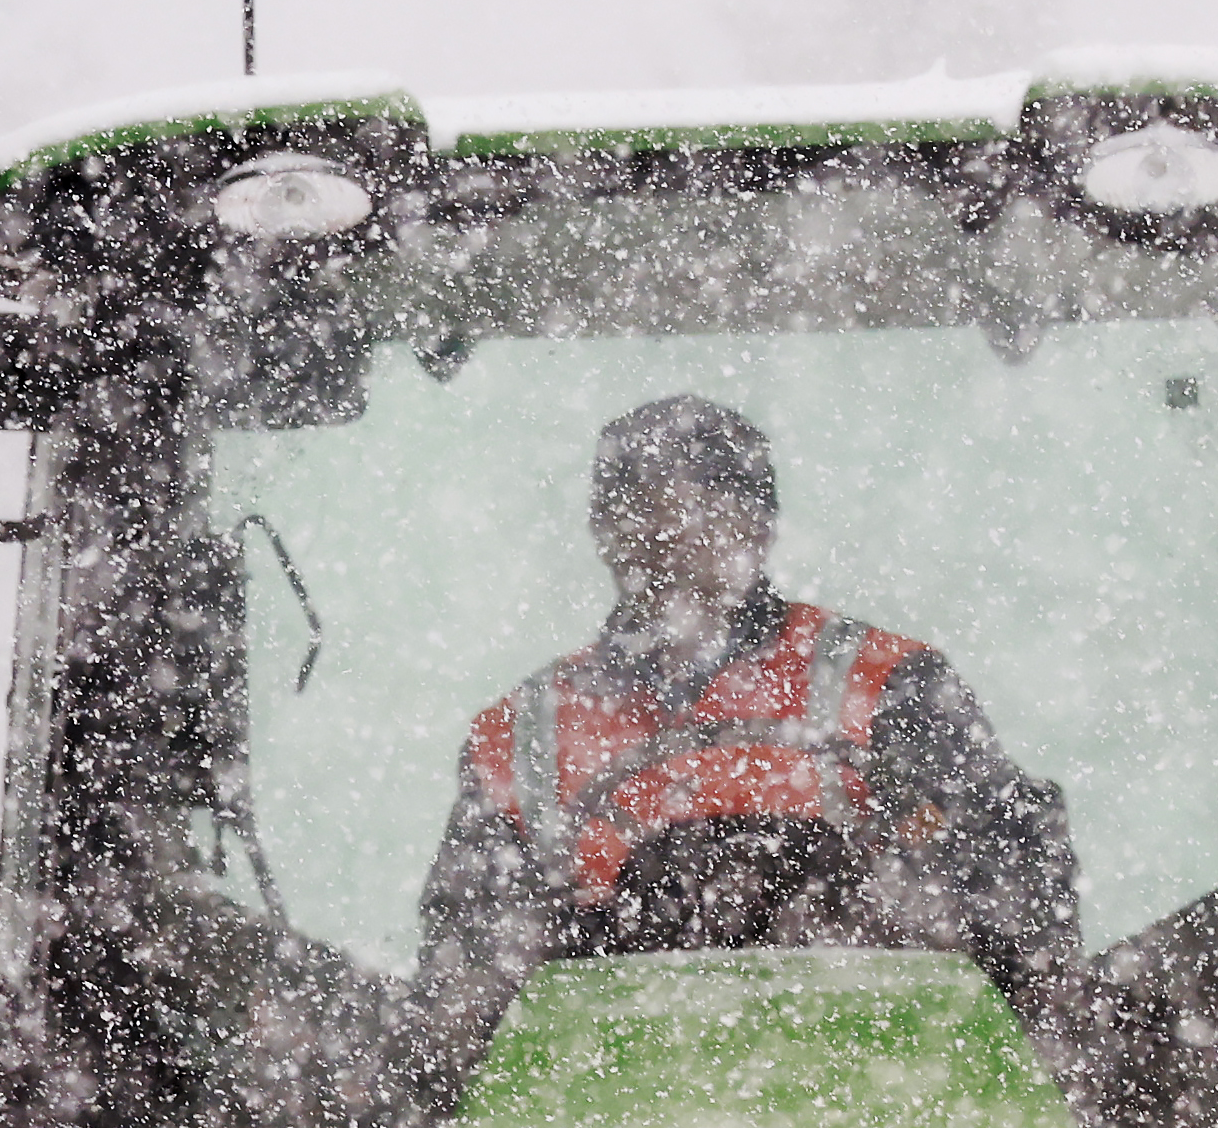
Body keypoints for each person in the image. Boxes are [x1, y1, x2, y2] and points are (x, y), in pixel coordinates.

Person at [412, 394, 1077, 1023]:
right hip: (605, 1094)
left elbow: (1013, 896)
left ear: (760, 526)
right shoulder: (521, 734)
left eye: (697, 512)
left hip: (879, 1071)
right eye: (638, 513)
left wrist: (856, 901)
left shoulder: (888, 687)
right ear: (601, 532)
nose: (665, 541)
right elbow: (465, 971)